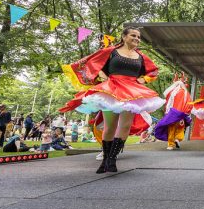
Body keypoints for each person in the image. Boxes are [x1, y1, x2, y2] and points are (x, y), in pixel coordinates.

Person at [59, 27, 164, 174]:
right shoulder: (111, 51)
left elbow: (153, 71)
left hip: (132, 92)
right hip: (111, 90)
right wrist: (102, 76)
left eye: (139, 37)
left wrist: (143, 79)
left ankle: (112, 159)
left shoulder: (141, 57)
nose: (137, 39)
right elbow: (92, 64)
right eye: (133, 35)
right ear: (124, 36)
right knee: (110, 127)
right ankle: (105, 159)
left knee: (125, 126)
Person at [156, 72, 193, 150]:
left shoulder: (174, 92)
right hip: (180, 114)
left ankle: (171, 144)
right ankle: (177, 139)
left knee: (172, 127)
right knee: (180, 127)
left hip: (173, 113)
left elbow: (169, 102)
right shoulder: (184, 92)